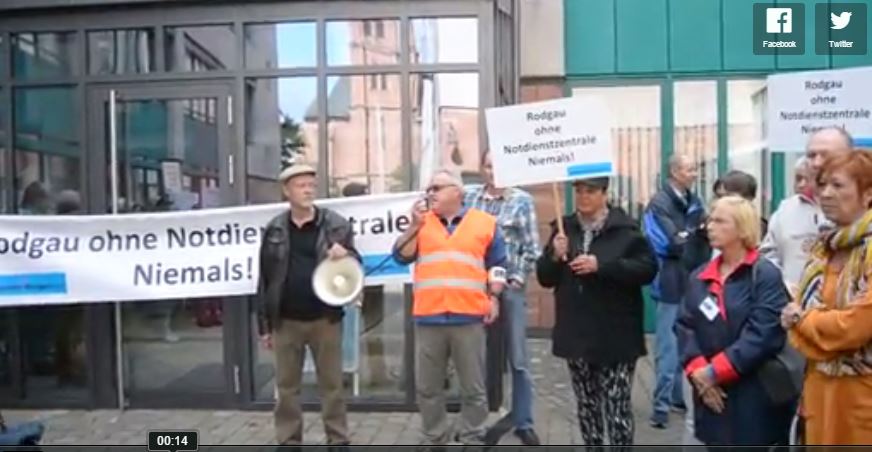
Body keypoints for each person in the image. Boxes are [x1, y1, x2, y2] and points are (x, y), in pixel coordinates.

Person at [536, 177, 657, 447]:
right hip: (577, 333)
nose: (583, 196)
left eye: (590, 191)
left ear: (604, 194)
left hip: (616, 336)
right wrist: (554, 256)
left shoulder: (626, 230)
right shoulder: (564, 228)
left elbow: (647, 269)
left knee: (617, 408)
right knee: (587, 405)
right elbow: (545, 278)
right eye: (578, 191)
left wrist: (601, 265)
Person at [392, 167, 507, 446]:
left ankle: (472, 435)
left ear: (457, 192)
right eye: (429, 189)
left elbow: (498, 264)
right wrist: (414, 226)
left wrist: (494, 297)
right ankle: (435, 437)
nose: (431, 193)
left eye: (437, 188)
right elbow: (399, 257)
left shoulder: (486, 223)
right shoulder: (422, 222)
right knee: (428, 387)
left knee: (474, 387)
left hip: (469, 316)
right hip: (429, 316)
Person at [257, 159, 360, 448]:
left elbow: (357, 268)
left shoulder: (335, 224)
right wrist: (264, 325)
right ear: (286, 191)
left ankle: (337, 440)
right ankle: (289, 441)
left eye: (311, 185)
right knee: (287, 388)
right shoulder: (275, 228)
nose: (307, 190)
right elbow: (265, 279)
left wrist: (347, 255)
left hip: (325, 319)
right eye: (301, 186)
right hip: (286, 321)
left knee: (332, 386)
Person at [676, 196, 794, 447]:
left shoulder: (764, 274)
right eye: (710, 219)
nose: (709, 226)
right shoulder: (700, 275)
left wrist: (715, 372)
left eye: (719, 221)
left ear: (741, 229)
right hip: (711, 396)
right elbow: (685, 325)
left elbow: (763, 334)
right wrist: (699, 373)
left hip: (754, 393)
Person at [781, 150, 872, 445]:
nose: (826, 193)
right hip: (818, 392)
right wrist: (804, 323)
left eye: (838, 185)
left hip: (861, 397)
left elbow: (855, 327)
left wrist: (802, 318)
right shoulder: (823, 248)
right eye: (822, 185)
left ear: (868, 194)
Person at [464, 150, 541, 446]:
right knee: (478, 357)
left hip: (509, 287)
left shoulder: (521, 201)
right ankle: (478, 421)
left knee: (518, 358)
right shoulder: (469, 198)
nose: (493, 171)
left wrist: (515, 279)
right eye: (487, 165)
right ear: (481, 169)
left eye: (498, 166)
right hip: (473, 288)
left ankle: (524, 421)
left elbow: (531, 248)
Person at [642, 153, 710, 429]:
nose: (694, 172)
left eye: (695, 168)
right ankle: (660, 405)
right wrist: (691, 236)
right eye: (689, 168)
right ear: (674, 172)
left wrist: (688, 236)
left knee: (690, 340)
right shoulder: (658, 203)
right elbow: (667, 244)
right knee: (667, 347)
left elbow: (700, 237)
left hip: (694, 279)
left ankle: (678, 397)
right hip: (669, 281)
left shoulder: (695, 201)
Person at [760, 158, 819, 289]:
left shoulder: (838, 208)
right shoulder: (784, 210)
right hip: (790, 293)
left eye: (808, 178)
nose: (802, 184)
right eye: (798, 179)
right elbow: (768, 253)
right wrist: (781, 282)